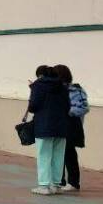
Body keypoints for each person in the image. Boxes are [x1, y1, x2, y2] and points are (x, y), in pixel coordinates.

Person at [27, 64, 70, 196]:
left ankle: (44, 185)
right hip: (61, 126)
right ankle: (56, 185)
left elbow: (33, 106)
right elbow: (68, 106)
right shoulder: (62, 86)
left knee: (44, 155)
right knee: (58, 156)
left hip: (44, 125)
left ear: (40, 75)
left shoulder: (38, 86)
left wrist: (32, 90)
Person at [54, 64, 88, 192]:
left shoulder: (75, 90)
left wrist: (68, 112)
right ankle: (59, 181)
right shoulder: (56, 90)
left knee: (69, 153)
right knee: (59, 153)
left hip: (71, 126)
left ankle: (73, 182)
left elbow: (83, 108)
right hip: (58, 125)